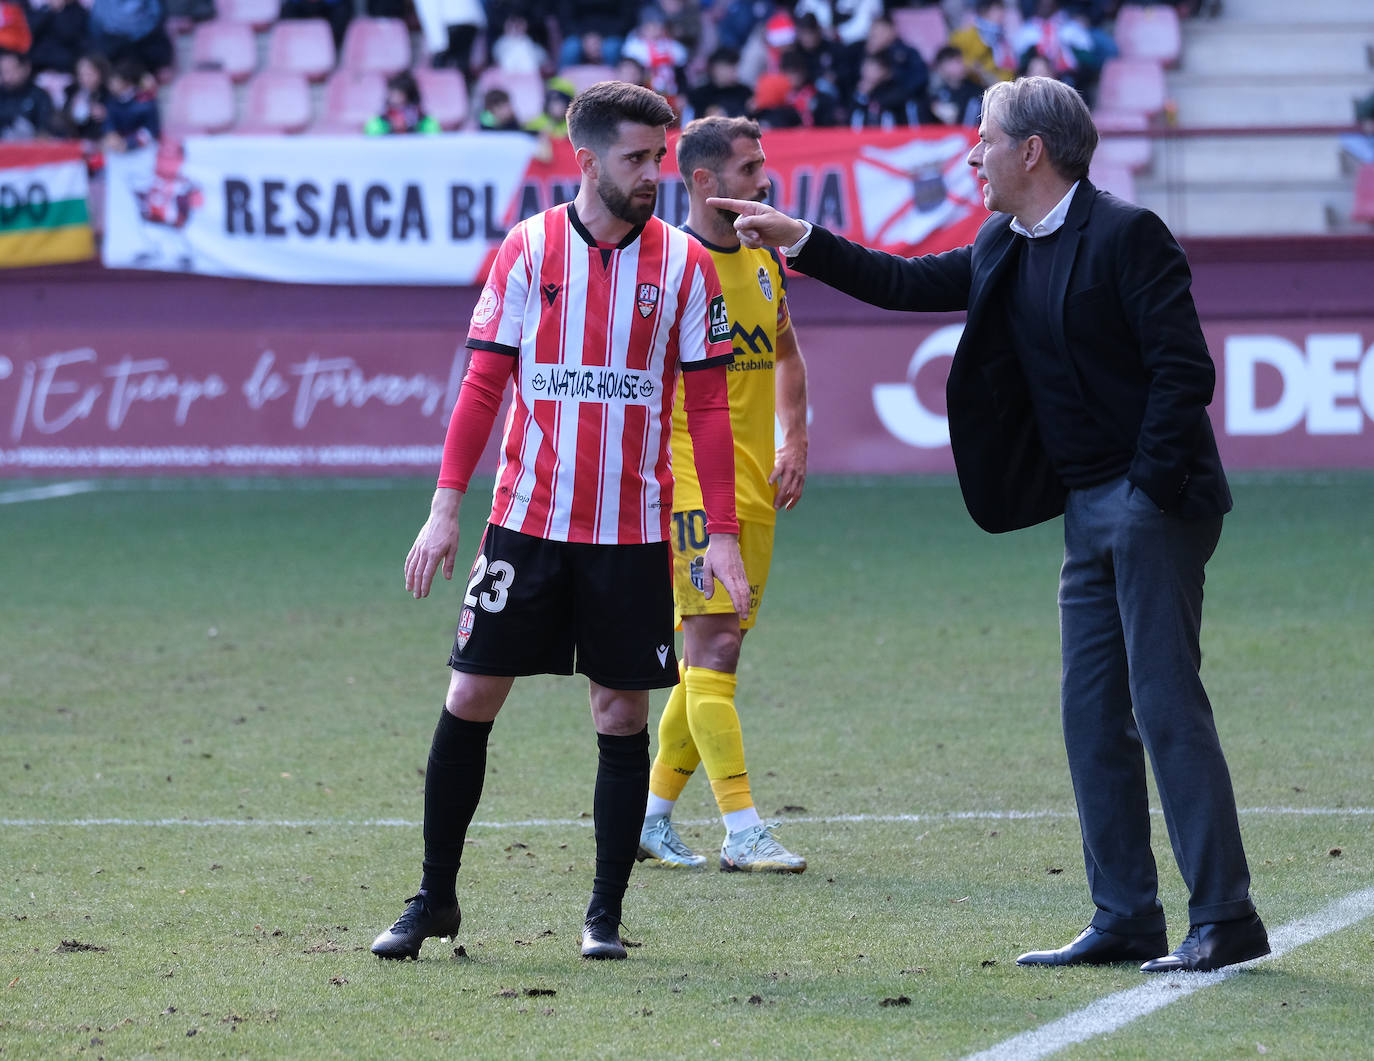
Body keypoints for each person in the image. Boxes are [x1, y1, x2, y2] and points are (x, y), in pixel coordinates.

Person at [709, 75, 1270, 975]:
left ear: (1031, 152)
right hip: (1085, 510)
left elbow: (1183, 373)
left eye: (984, 138)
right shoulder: (1003, 239)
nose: (971, 155)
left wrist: (1142, 493)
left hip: (1151, 506)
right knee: (1091, 717)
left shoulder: (1129, 234)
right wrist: (802, 240)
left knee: (1164, 705)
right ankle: (1125, 915)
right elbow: (904, 281)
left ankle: (1226, 915)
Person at [369, 80, 751, 964]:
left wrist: (721, 531)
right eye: (636, 158)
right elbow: (482, 384)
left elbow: (708, 411)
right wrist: (443, 508)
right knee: (469, 694)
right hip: (525, 524)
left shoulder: (687, 265)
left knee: (620, 714)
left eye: (659, 157)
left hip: (630, 532)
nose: (654, 173)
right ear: (585, 160)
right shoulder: (529, 248)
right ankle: (435, 899)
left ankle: (604, 916)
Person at [636, 115, 809, 875]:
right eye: (748, 170)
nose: (763, 180)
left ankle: (651, 818)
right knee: (715, 645)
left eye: (762, 166)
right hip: (691, 490)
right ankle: (742, 828)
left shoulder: (765, 260)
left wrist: (794, 438)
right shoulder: (668, 266)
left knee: (710, 654)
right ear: (704, 182)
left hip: (755, 486)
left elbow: (788, 352)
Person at [0, 48, 59, 139]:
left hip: (30, 149)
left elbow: (45, 132)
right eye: (3, 72)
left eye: (11, 71)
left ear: (26, 68)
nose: (7, 77)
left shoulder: (39, 96)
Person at [365, 71, 441, 135]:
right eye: (391, 94)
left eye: (398, 95)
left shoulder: (425, 121)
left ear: (409, 96)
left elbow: (433, 140)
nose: (393, 98)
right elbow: (372, 139)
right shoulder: (379, 122)